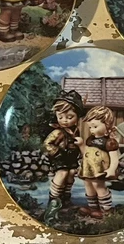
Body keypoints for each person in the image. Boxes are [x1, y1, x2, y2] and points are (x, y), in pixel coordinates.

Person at [41, 90, 86, 222]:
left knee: (71, 173)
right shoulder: (58, 132)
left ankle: (66, 197)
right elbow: (47, 144)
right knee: (62, 173)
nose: (64, 120)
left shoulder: (75, 131)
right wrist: (57, 152)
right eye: (60, 117)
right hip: (60, 157)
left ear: (77, 116)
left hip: (71, 157)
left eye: (69, 117)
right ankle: (54, 199)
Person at [75, 106, 119, 219]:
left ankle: (106, 209)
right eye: (90, 127)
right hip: (88, 168)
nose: (92, 130)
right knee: (88, 185)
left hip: (100, 169)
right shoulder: (90, 140)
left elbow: (114, 158)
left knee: (98, 185)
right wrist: (81, 145)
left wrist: (111, 169)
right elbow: (86, 152)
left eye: (95, 126)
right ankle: (93, 208)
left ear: (107, 125)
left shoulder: (109, 142)